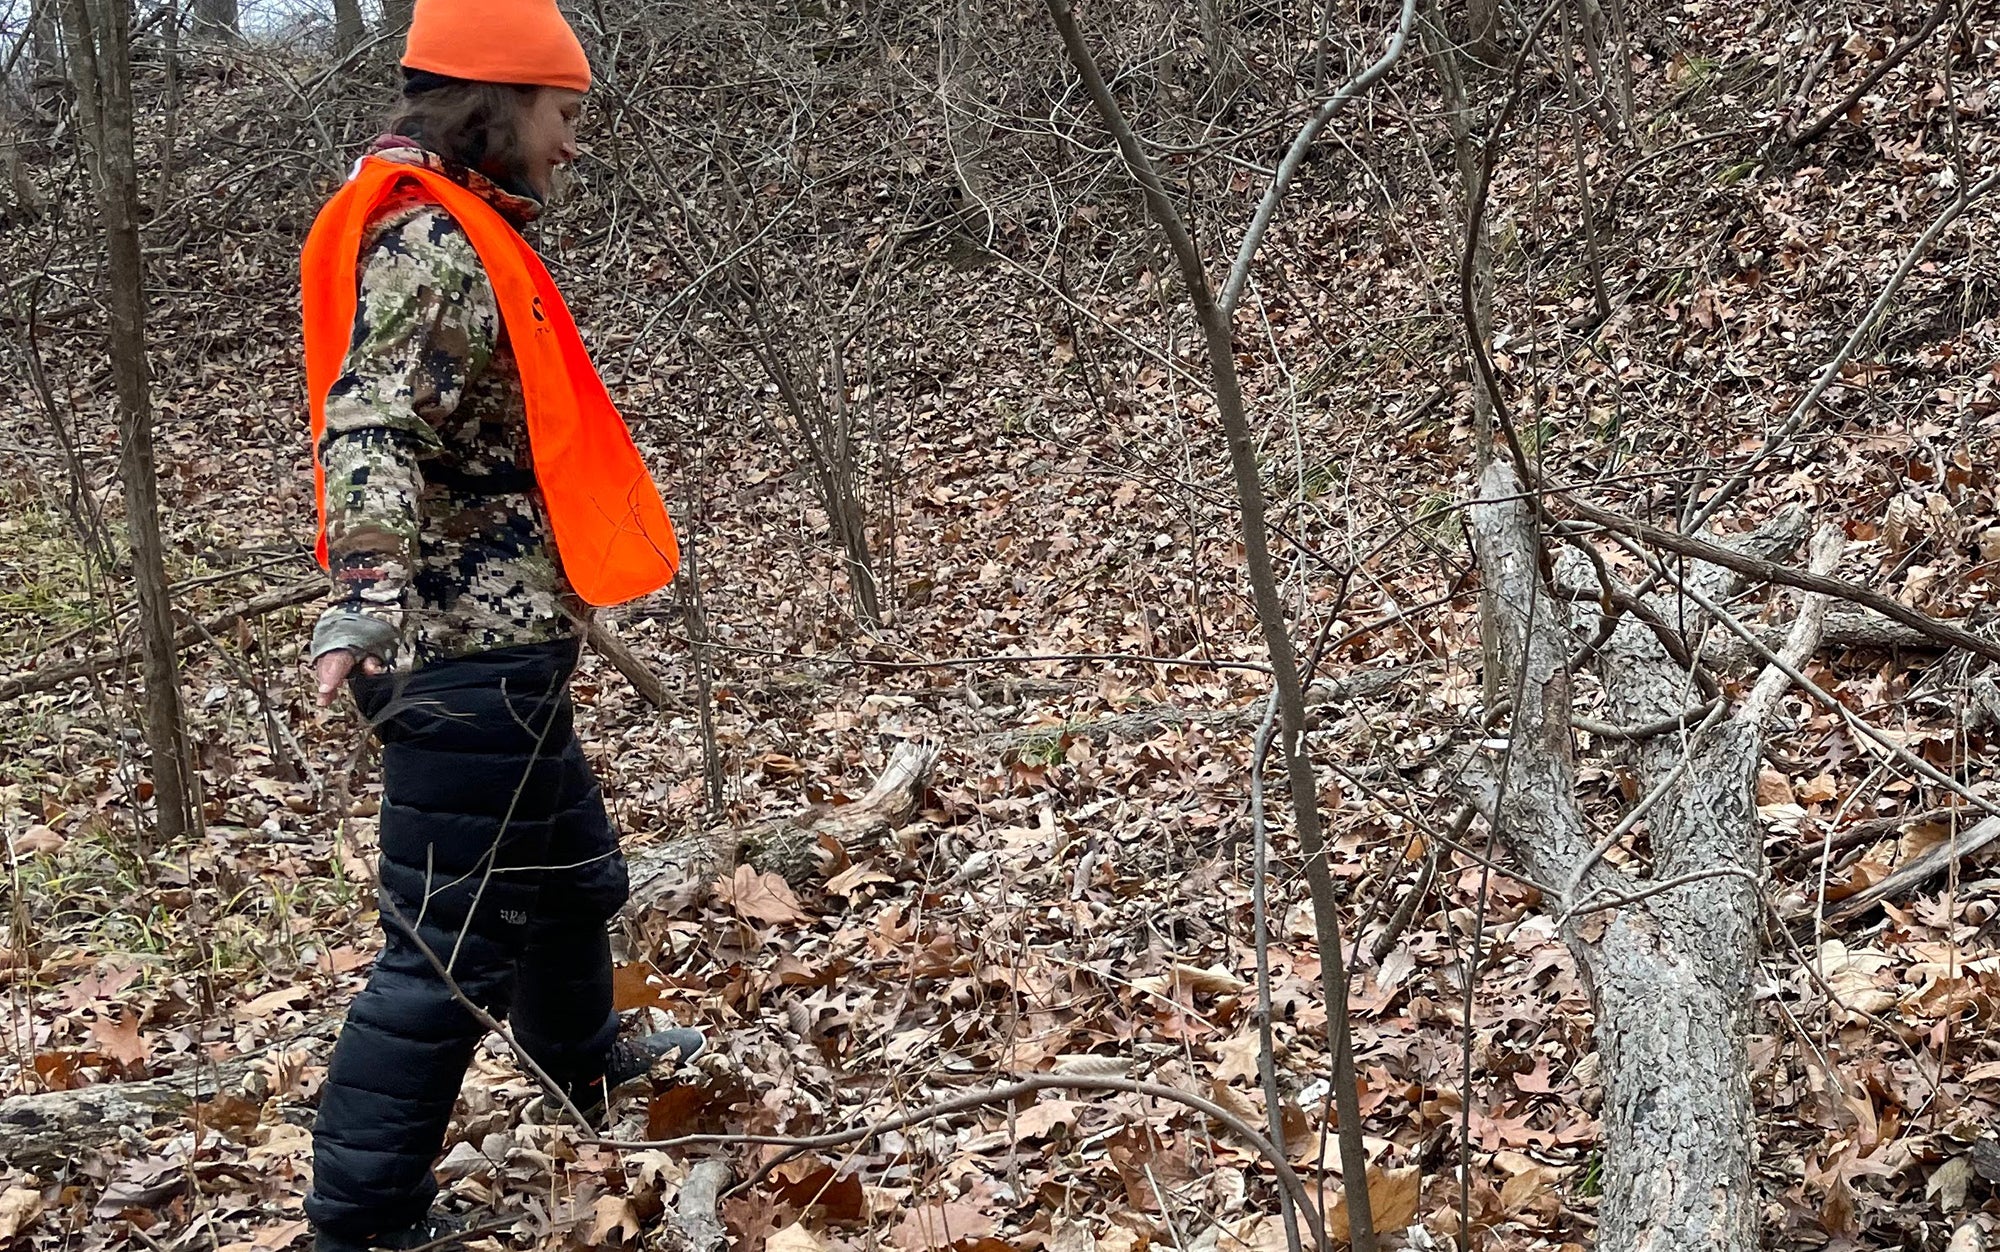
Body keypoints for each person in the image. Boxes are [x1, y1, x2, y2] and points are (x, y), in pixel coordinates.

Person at [297, 2, 698, 1247]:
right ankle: (361, 1224)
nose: (572, 145)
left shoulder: (459, 230)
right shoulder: (430, 247)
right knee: (442, 957)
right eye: (564, 117)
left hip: (505, 647)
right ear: (498, 106)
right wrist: (359, 602)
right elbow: (370, 426)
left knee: (575, 877)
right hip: (455, 659)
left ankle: (580, 1059)